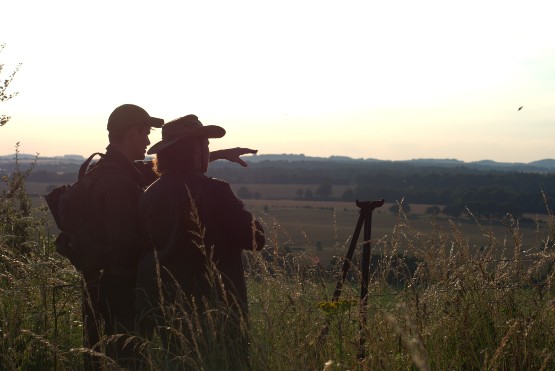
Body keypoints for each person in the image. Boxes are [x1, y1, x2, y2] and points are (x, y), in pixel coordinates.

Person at [82, 104, 256, 370]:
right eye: (143, 132)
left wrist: (216, 154)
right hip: (127, 293)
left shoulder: (129, 181)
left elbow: (162, 170)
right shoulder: (118, 181)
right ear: (130, 134)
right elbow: (256, 239)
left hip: (158, 305)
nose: (148, 139)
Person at [135, 114, 265, 369]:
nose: (207, 150)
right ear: (190, 151)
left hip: (169, 310)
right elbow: (256, 239)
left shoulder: (150, 194)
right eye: (204, 144)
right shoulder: (215, 191)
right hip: (218, 310)